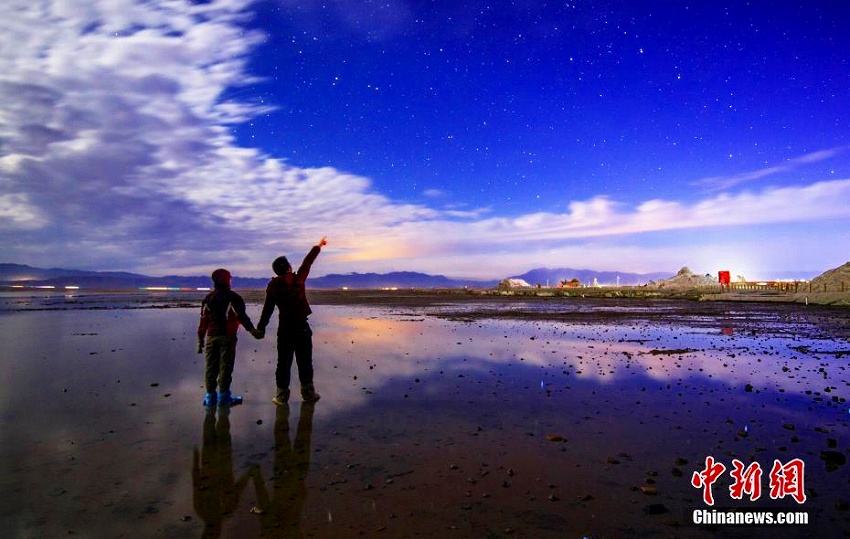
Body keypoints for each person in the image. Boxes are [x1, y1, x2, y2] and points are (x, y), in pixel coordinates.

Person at [255, 237, 327, 404]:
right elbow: (307, 262)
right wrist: (318, 246)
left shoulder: (273, 286)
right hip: (301, 327)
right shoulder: (298, 279)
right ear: (288, 267)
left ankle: (281, 397)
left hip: (285, 329)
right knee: (305, 362)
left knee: (283, 363)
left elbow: (268, 309)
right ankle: (308, 394)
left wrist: (261, 328)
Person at [197, 268, 262, 407]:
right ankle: (224, 399)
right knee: (225, 367)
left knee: (210, 367)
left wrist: (200, 338)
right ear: (227, 279)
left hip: (211, 337)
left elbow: (204, 320)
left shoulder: (208, 298)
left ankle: (210, 399)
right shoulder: (233, 297)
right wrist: (252, 330)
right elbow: (242, 317)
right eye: (229, 277)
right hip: (227, 337)